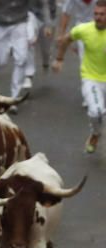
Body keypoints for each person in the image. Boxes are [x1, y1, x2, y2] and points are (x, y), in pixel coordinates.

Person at [53, 0, 106, 152]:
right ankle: (95, 134)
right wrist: (59, 59)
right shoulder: (83, 29)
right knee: (96, 111)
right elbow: (66, 40)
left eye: (102, 14)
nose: (98, 17)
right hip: (91, 78)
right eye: (96, 14)